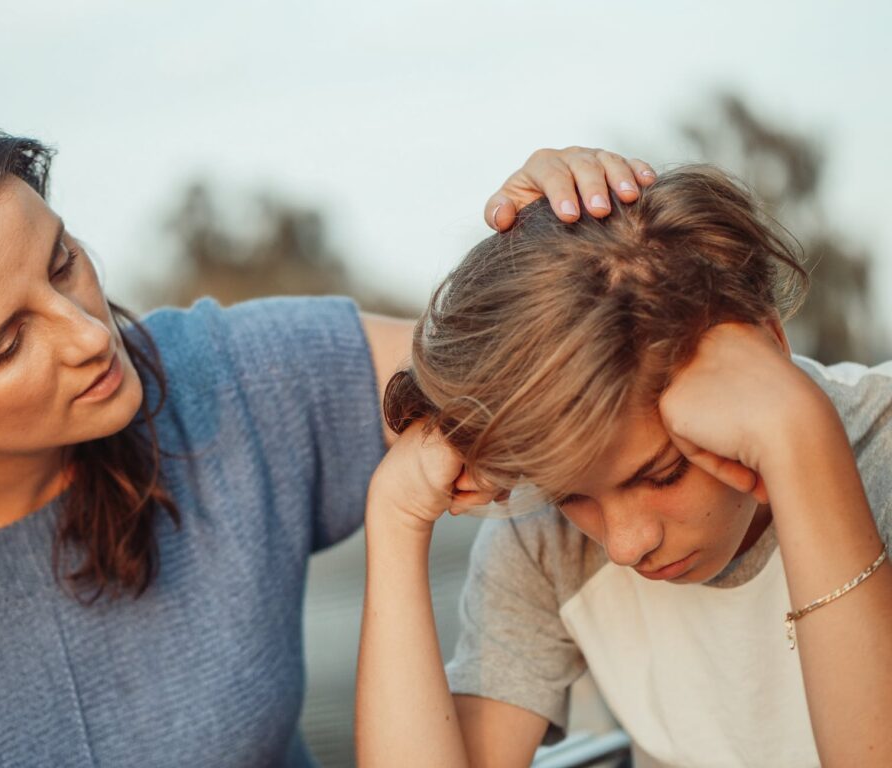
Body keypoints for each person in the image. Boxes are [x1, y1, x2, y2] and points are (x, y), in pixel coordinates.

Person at [0, 118, 654, 765]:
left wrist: (576, 247)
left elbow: (555, 360)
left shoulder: (232, 380)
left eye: (63, 262)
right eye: (7, 345)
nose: (87, 334)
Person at [356, 165, 892, 767]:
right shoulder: (543, 540)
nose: (624, 544)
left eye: (661, 474)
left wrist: (800, 438)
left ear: (767, 348)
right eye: (570, 496)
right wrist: (395, 519)